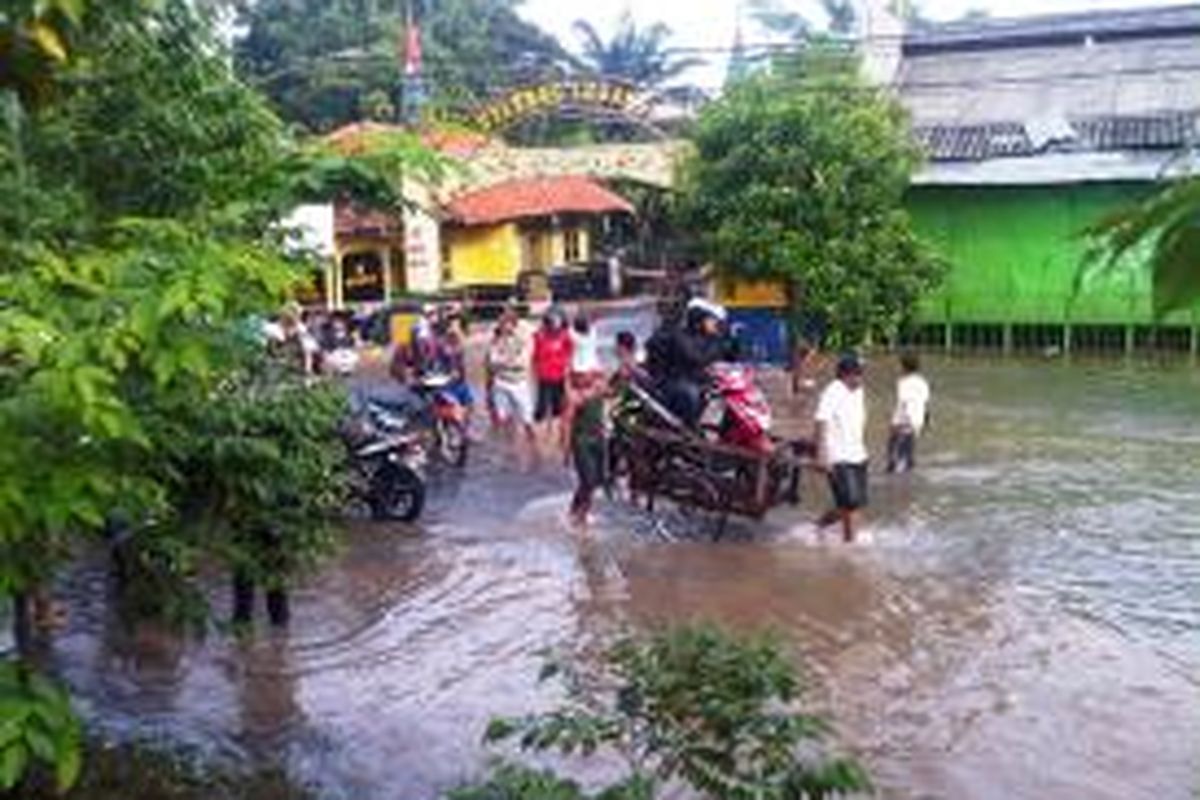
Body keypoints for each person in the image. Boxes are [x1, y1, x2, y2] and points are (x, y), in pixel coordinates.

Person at [645, 297, 730, 427]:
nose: (715, 324)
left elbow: (726, 357)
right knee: (691, 394)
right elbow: (697, 358)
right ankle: (689, 428)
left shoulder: (703, 337)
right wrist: (717, 341)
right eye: (711, 320)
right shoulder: (680, 336)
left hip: (693, 379)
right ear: (700, 319)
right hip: (673, 380)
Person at [815, 353, 868, 543]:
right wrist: (821, 454)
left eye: (862, 373)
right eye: (858, 373)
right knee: (850, 504)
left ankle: (820, 525)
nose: (862, 377)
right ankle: (850, 546)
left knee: (855, 503)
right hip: (838, 456)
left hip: (858, 454)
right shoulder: (833, 390)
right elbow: (821, 420)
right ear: (846, 374)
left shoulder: (859, 391)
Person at [486, 302, 536, 454]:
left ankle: (534, 449)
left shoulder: (524, 336)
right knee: (504, 420)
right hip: (500, 383)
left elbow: (523, 363)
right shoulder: (495, 338)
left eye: (505, 323)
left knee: (527, 420)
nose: (502, 326)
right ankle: (510, 451)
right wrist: (507, 362)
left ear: (513, 324)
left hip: (519, 383)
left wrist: (503, 362)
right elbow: (491, 361)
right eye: (501, 323)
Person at [567, 369, 607, 529]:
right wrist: (566, 448)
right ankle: (579, 515)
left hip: (598, 440)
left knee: (596, 479)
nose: (588, 377)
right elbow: (567, 423)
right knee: (588, 480)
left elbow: (612, 386)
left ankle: (579, 511)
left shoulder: (599, 392)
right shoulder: (576, 398)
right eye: (583, 375)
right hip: (582, 441)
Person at [532, 306, 573, 450]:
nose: (553, 325)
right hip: (544, 377)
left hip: (560, 377)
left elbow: (570, 357)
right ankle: (540, 440)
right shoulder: (539, 336)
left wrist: (569, 376)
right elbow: (534, 356)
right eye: (550, 322)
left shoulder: (565, 337)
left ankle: (555, 439)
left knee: (558, 409)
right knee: (541, 409)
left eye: (556, 322)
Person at [887, 352, 930, 473]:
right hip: (917, 420)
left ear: (903, 367)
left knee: (895, 451)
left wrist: (895, 423)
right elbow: (925, 404)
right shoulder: (923, 382)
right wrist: (925, 421)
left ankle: (896, 477)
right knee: (908, 449)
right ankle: (908, 470)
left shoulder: (903, 383)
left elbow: (903, 404)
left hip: (905, 420)